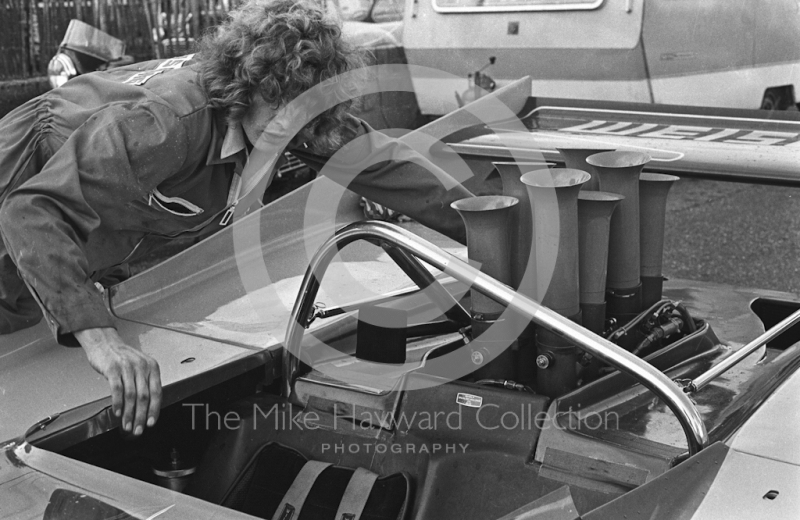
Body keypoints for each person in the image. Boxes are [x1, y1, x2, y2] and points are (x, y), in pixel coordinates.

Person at [0, 0, 472, 437]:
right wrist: (100, 337)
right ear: (246, 86)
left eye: (304, 115)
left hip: (78, 237)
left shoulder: (295, 112)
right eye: (278, 111)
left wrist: (506, 235)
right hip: (22, 198)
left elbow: (397, 171)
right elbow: (31, 210)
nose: (289, 128)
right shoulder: (169, 122)